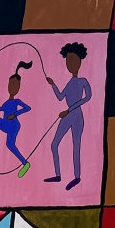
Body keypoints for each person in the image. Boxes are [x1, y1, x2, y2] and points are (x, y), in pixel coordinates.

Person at [45, 42, 92, 191]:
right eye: (68, 61)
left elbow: (88, 97)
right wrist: (52, 84)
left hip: (77, 116)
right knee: (54, 144)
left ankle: (77, 177)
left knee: (75, 146)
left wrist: (69, 109)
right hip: (68, 115)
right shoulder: (70, 82)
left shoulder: (83, 81)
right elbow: (60, 97)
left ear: (80, 61)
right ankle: (58, 175)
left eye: (73, 61)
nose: (70, 64)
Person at [0, 61, 33, 175]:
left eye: (15, 85)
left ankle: (25, 163)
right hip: (5, 123)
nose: (12, 87)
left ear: (19, 87)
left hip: (13, 126)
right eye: (10, 84)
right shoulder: (7, 102)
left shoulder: (16, 101)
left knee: (10, 145)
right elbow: (0, 109)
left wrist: (15, 114)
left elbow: (28, 108)